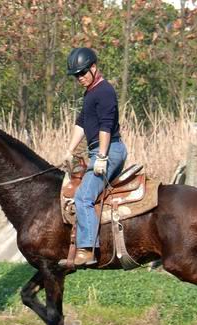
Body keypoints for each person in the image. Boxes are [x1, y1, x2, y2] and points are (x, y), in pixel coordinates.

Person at [59, 47, 128, 268]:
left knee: (83, 197)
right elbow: (81, 123)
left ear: (94, 68)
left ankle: (87, 250)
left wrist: (101, 156)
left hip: (110, 149)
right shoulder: (90, 92)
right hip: (97, 149)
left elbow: (106, 126)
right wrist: (69, 151)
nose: (79, 78)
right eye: (76, 75)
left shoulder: (104, 91)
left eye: (82, 73)